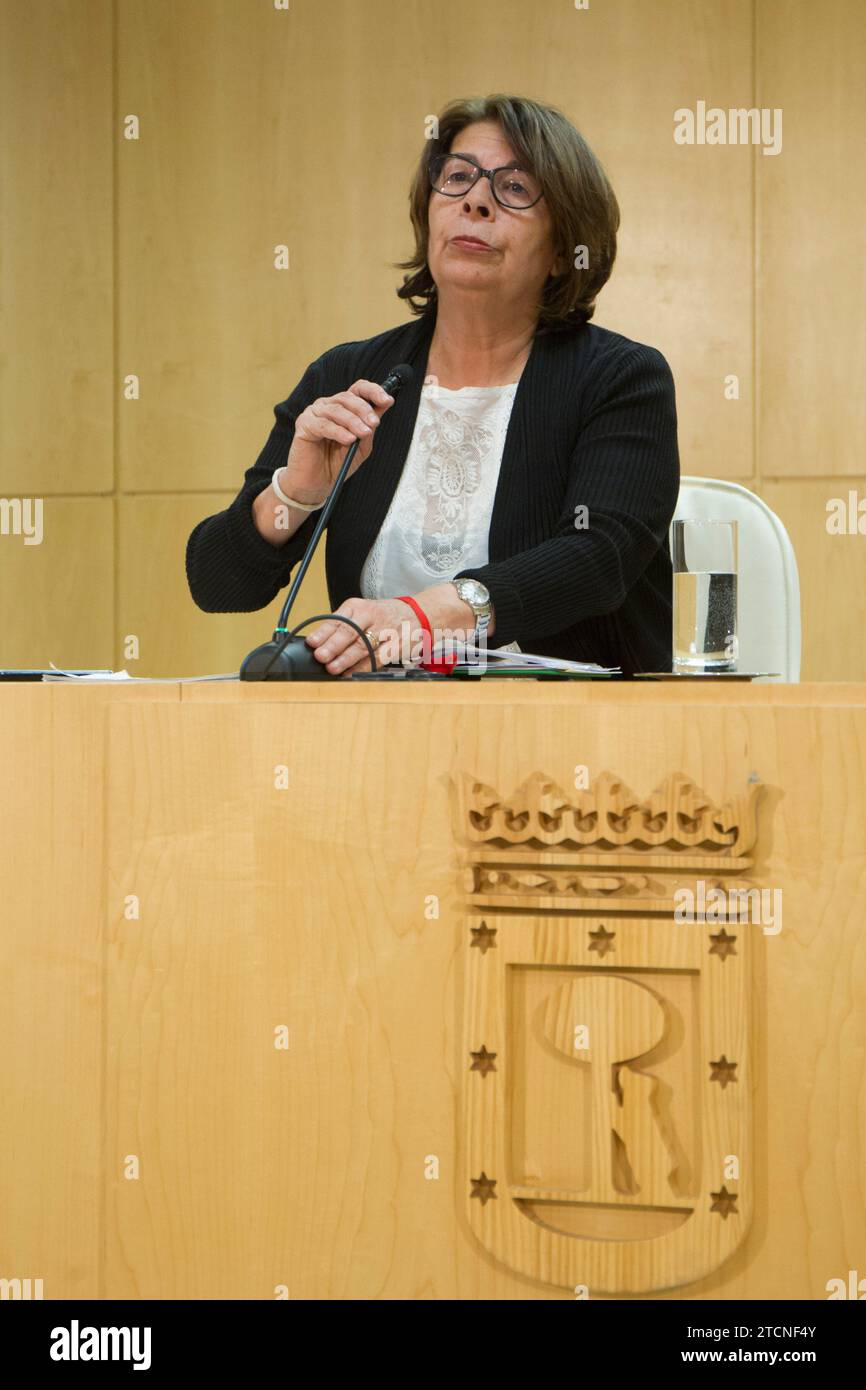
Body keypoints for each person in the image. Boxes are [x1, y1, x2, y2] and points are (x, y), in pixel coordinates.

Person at [186, 93, 680, 678]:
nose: (475, 201)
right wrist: (297, 493)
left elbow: (600, 560)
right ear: (428, 215)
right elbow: (217, 583)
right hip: (377, 733)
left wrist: (420, 617)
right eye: (458, 178)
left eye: (515, 188)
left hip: (569, 741)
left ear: (561, 249)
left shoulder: (619, 379)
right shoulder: (351, 377)